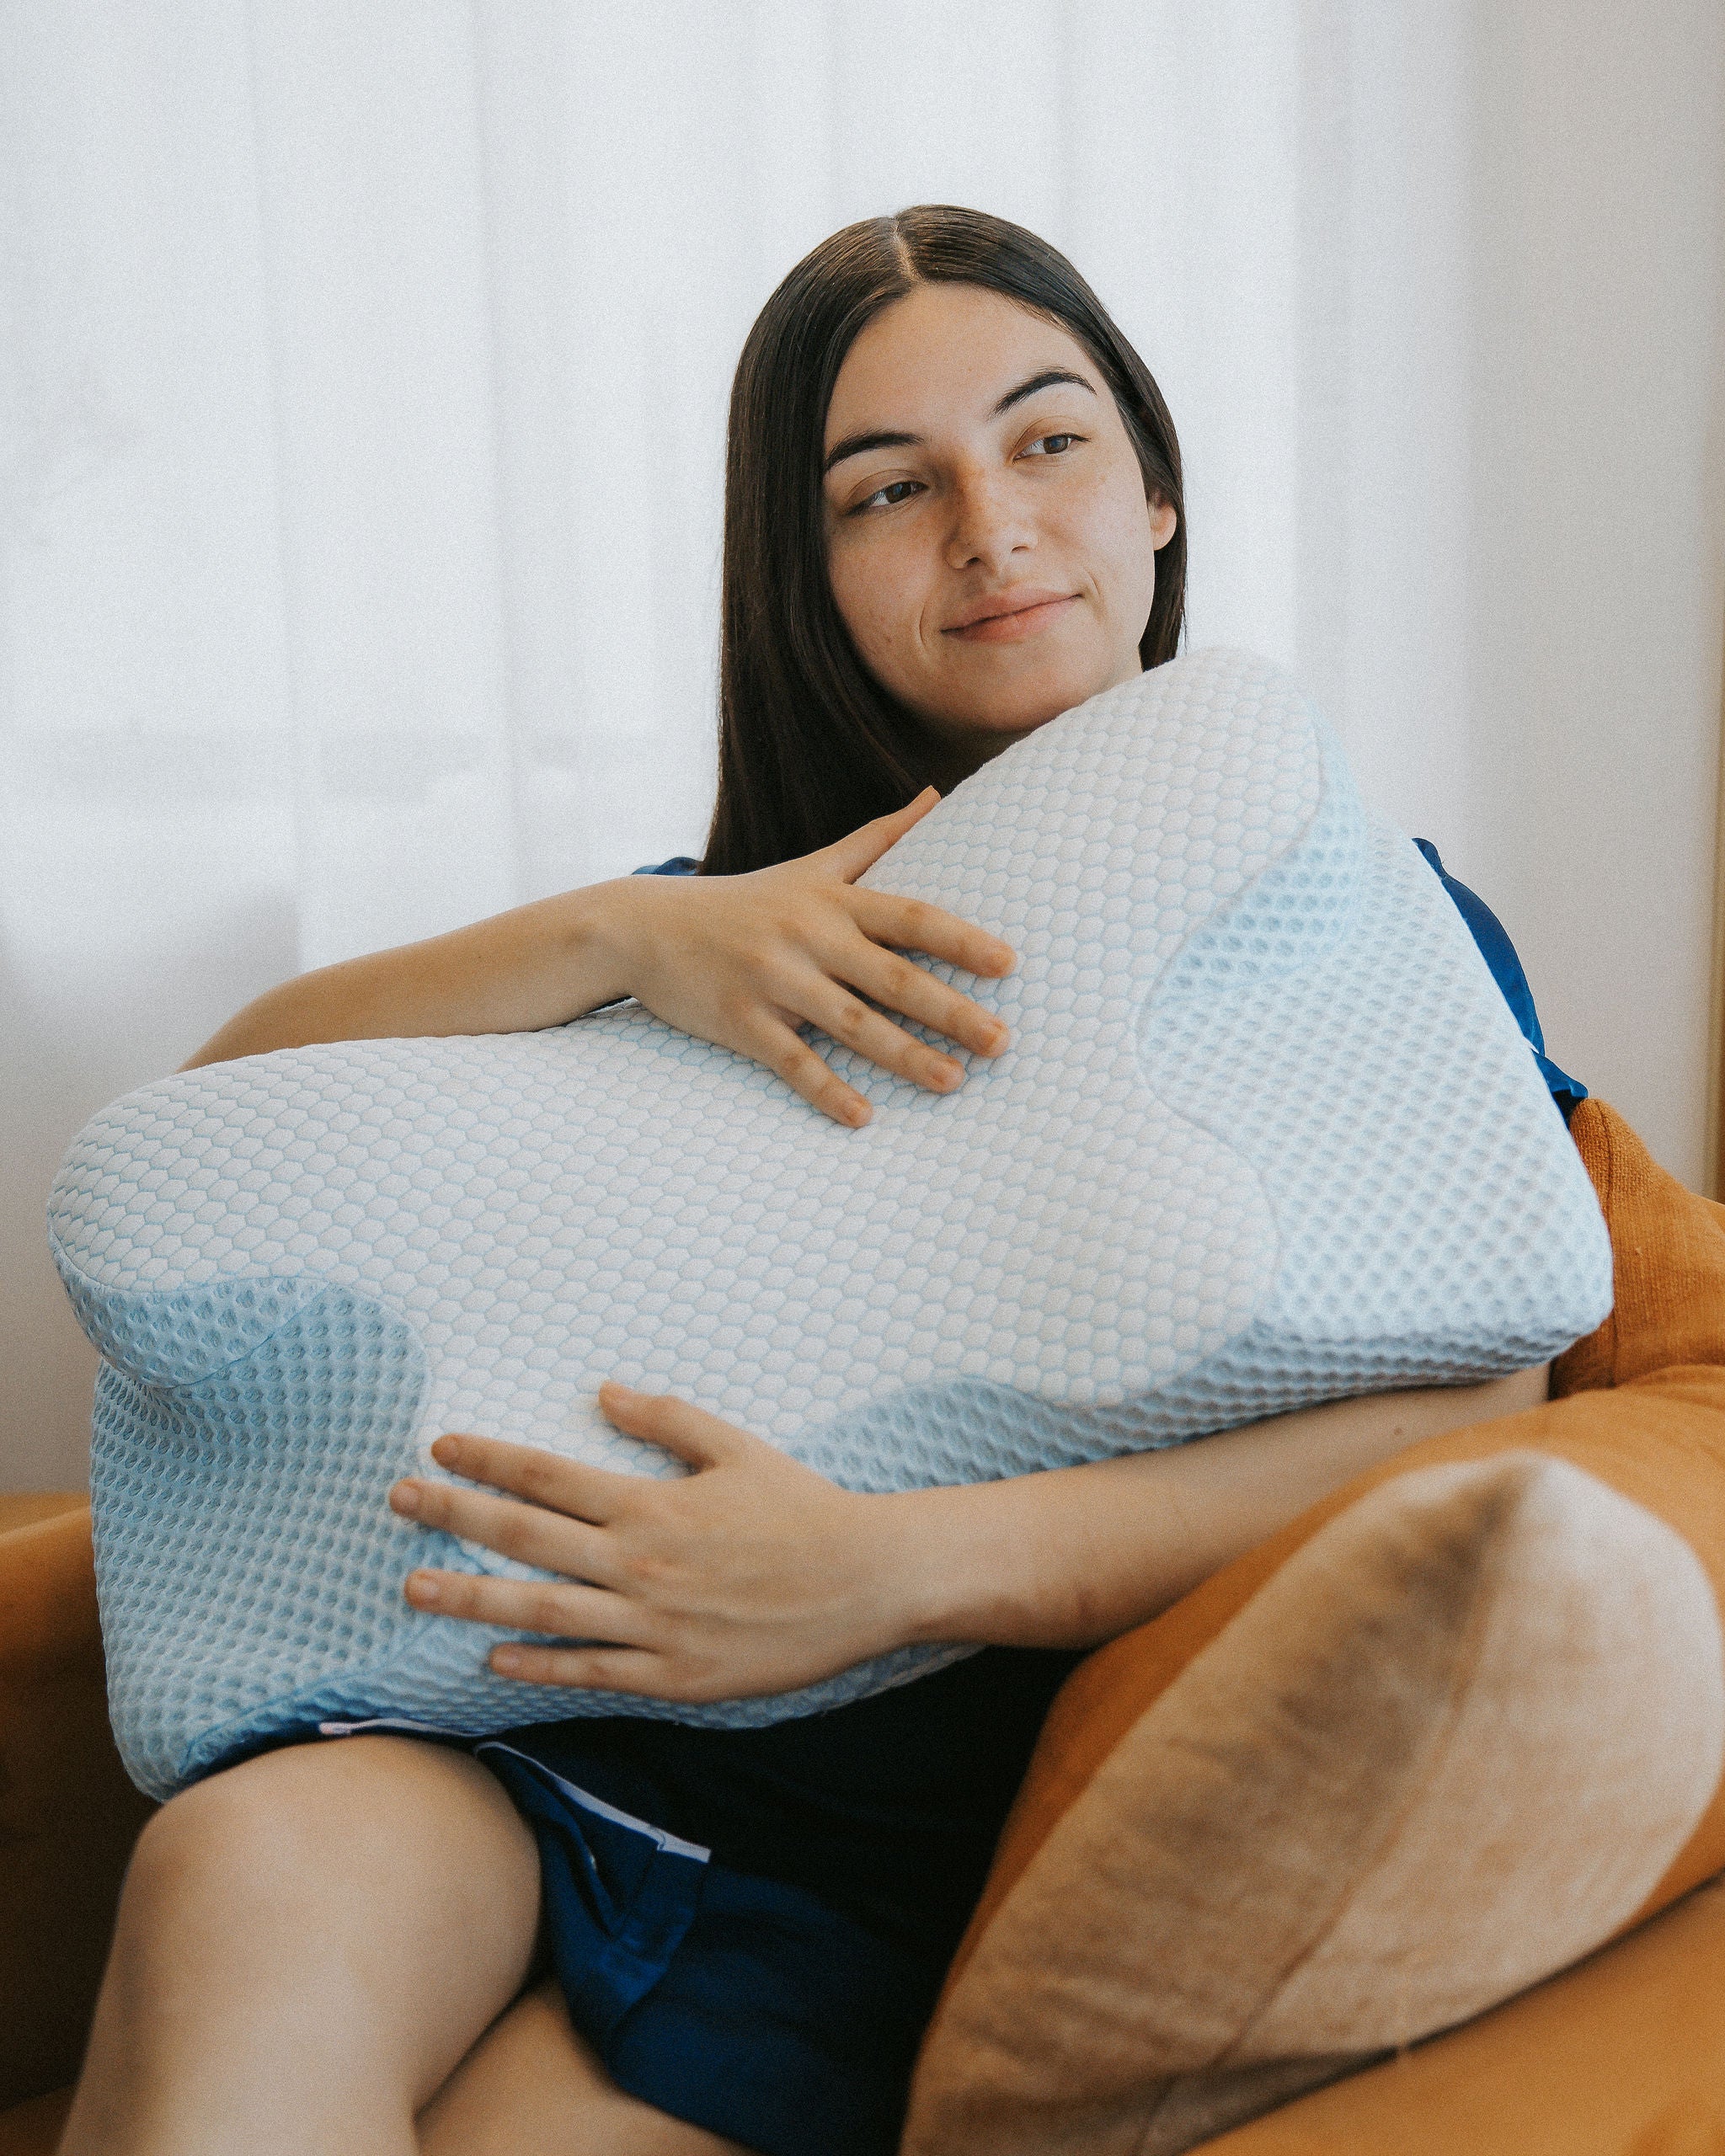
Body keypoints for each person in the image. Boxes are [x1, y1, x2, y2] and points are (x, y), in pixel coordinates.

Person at [59, 207, 1577, 2156]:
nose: (990, 527)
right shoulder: (730, 938)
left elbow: (1483, 1391)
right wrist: (615, 931)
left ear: (1156, 491)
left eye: (1047, 440)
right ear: (807, 569)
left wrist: (883, 1574)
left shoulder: (1358, 919)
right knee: (230, 1879)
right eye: (888, 487)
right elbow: (210, 1147)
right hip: (524, 1718)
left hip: (883, 1834)